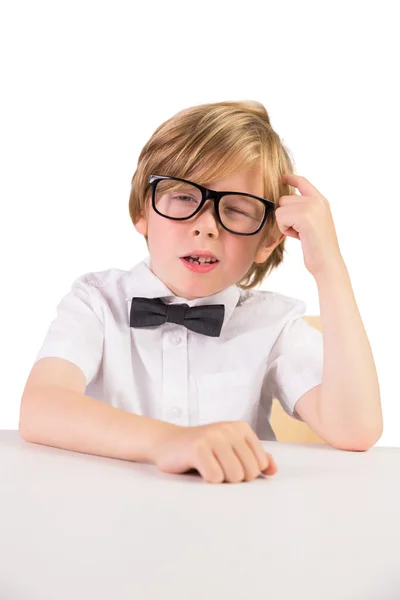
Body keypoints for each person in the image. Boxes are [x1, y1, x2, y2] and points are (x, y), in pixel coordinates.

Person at [19, 100, 383, 484]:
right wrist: (169, 442)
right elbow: (40, 407)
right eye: (184, 197)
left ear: (268, 241)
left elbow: (356, 428)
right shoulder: (95, 302)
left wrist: (329, 267)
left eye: (237, 210)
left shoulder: (274, 325)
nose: (206, 226)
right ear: (142, 211)